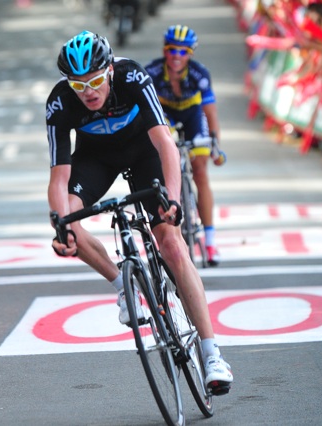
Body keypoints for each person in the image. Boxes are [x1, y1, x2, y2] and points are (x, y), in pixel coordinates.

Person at [46, 30, 233, 394]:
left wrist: (174, 201)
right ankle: (124, 285)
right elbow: (59, 176)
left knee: (171, 241)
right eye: (78, 84)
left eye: (96, 80)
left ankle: (212, 355)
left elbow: (165, 142)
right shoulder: (59, 102)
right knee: (65, 217)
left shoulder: (132, 76)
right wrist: (61, 226)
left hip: (143, 151)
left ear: (110, 71)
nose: (88, 91)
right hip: (95, 159)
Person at [144, 25, 226, 267]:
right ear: (164, 50)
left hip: (192, 114)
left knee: (200, 171)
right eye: (172, 50)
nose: (177, 56)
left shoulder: (200, 74)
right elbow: (146, 111)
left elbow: (210, 113)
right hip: (164, 114)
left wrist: (215, 146)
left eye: (183, 51)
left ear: (191, 53)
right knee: (165, 155)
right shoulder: (152, 72)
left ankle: (210, 242)